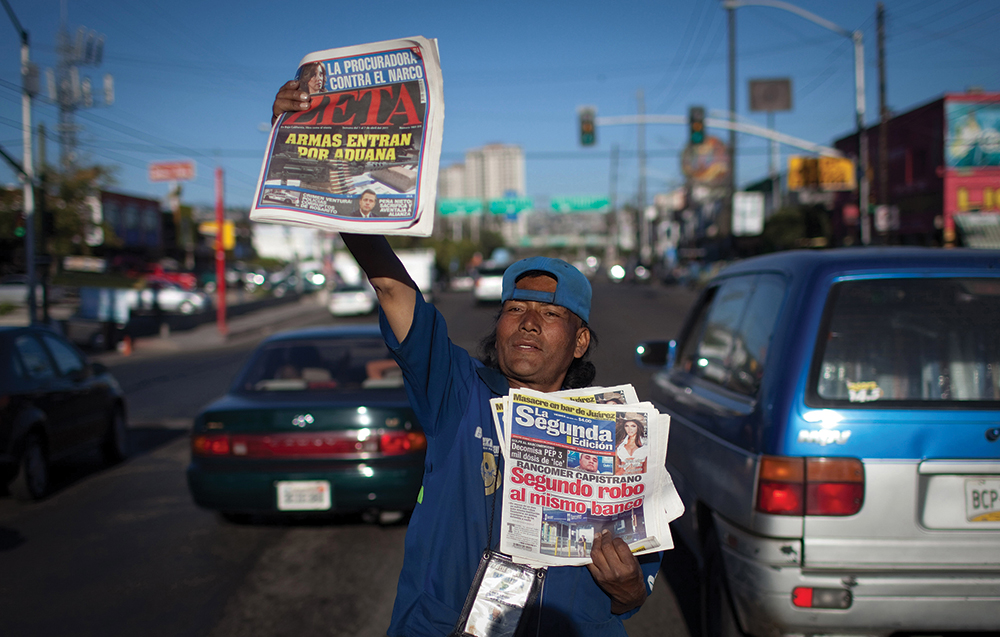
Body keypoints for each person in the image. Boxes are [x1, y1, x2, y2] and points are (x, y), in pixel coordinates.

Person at [271, 84, 663, 637]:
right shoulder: (457, 392)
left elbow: (635, 587)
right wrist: (320, 160)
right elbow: (392, 288)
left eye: (549, 314)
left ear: (579, 341)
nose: (528, 322)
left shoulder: (621, 435)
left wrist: (628, 587)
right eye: (516, 309)